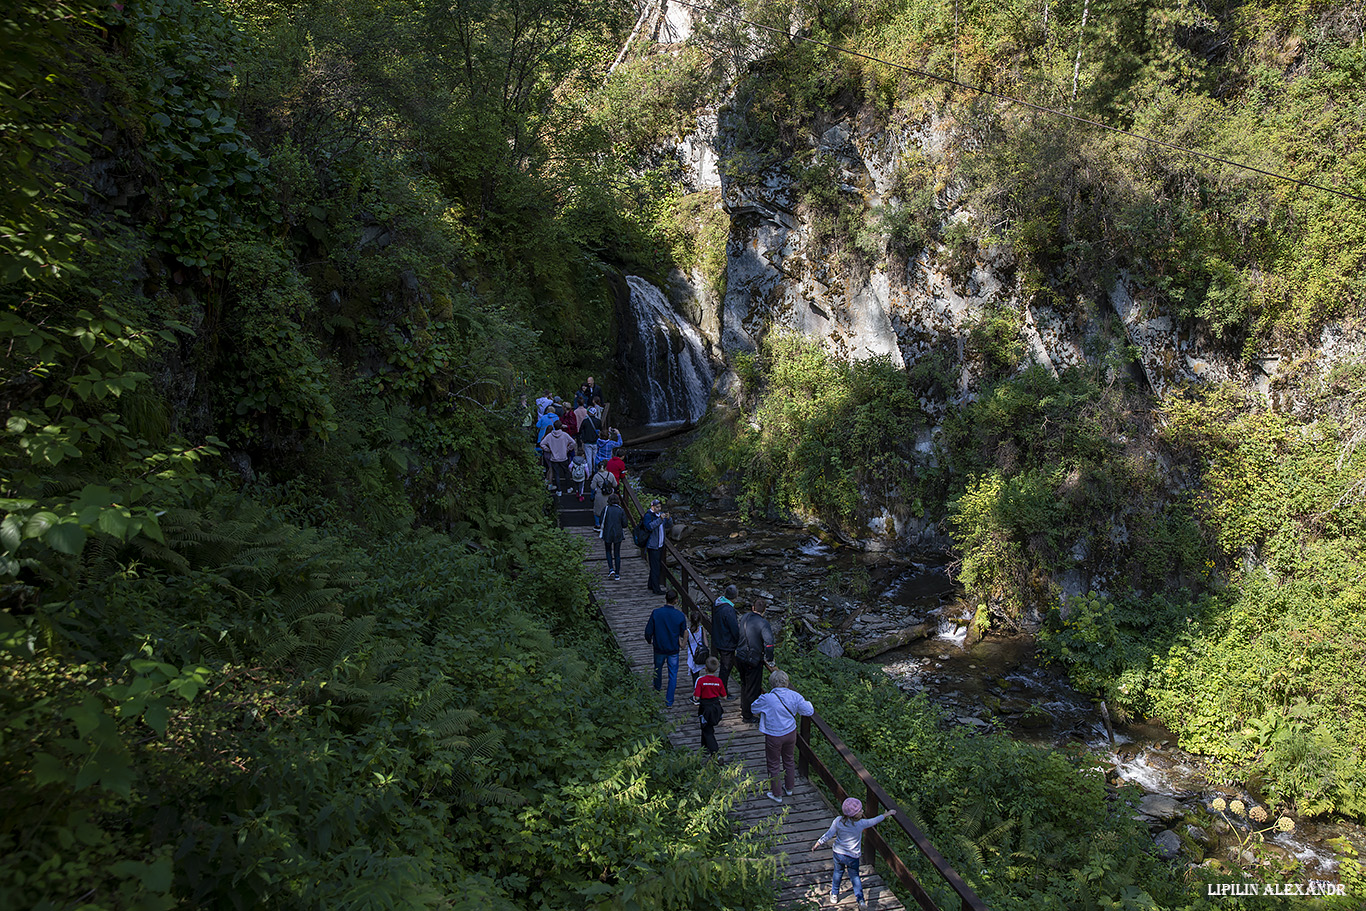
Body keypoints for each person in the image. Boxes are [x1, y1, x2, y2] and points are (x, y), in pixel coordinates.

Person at [812, 798, 897, 909]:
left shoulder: (838, 821)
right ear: (855, 815)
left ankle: (834, 894)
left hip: (838, 853)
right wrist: (887, 814)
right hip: (852, 856)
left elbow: (829, 834)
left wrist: (818, 843)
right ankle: (860, 900)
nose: (862, 811)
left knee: (838, 873)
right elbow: (874, 820)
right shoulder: (861, 824)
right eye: (860, 810)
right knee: (855, 877)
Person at [750, 669, 814, 805]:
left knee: (773, 764)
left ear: (772, 683)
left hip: (774, 734)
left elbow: (753, 708)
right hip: (790, 733)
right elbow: (808, 710)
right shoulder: (794, 696)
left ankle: (776, 793)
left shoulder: (767, 698)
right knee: (789, 760)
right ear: (787, 682)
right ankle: (789, 788)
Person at [644, 589, 688, 707]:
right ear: (676, 600)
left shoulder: (656, 613)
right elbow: (682, 631)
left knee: (657, 668)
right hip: (673, 649)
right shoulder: (679, 615)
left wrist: (649, 640)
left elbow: (648, 631)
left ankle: (657, 688)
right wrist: (682, 643)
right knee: (672, 674)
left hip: (659, 647)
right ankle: (669, 700)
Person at [737, 597, 775, 724]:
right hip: (752, 660)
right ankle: (747, 715)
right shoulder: (763, 624)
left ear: (753, 608)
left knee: (744, 683)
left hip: (740, 656)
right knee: (752, 688)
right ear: (764, 611)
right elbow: (769, 644)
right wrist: (769, 659)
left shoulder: (745, 617)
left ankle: (744, 707)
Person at [691, 656, 727, 757]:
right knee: (706, 728)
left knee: (708, 731)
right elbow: (724, 697)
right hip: (716, 707)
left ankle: (716, 753)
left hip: (705, 708)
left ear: (705, 668)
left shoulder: (701, 681)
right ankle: (704, 748)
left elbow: (697, 697)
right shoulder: (719, 681)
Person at [711, 585, 740, 696]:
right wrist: (739, 641)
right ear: (735, 596)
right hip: (726, 643)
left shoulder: (717, 603)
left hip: (718, 638)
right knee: (726, 667)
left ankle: (721, 689)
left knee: (725, 666)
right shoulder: (728, 610)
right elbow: (734, 629)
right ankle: (722, 691)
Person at [642, 499, 673, 595]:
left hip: (660, 545)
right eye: (657, 507)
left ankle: (651, 584)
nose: (659, 509)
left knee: (655, 566)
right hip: (652, 545)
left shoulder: (661, 514)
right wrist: (660, 519)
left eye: (660, 507)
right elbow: (649, 527)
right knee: (655, 567)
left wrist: (668, 518)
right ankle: (656, 589)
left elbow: (668, 526)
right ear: (652, 507)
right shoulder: (648, 516)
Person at [540, 420, 576, 493]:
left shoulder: (549, 436)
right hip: (563, 457)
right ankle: (568, 487)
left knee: (556, 474)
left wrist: (548, 450)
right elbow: (573, 442)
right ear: (561, 426)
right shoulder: (564, 435)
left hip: (554, 457)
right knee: (566, 473)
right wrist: (568, 449)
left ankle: (559, 490)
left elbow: (542, 444)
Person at [600, 494, 626, 580]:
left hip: (607, 533)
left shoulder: (606, 509)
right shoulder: (620, 510)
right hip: (618, 533)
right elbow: (625, 524)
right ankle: (617, 574)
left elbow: (601, 520)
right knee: (617, 553)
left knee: (608, 551)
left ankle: (611, 569)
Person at [590, 464, 617, 529]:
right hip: (609, 495)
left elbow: (592, 487)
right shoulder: (610, 474)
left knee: (597, 510)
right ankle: (608, 524)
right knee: (608, 510)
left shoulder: (596, 476)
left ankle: (598, 525)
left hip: (600, 495)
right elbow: (615, 484)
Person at [685, 610, 707, 684]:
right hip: (700, 652)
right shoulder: (701, 629)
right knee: (698, 672)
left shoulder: (687, 631)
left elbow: (683, 645)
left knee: (694, 674)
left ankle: (696, 690)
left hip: (692, 654)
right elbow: (706, 644)